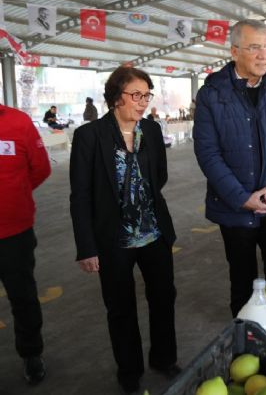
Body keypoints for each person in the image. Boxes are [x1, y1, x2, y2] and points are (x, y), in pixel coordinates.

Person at [70, 67, 179, 394]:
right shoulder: (90, 136)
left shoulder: (152, 131)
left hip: (154, 233)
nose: (143, 102)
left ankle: (164, 358)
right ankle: (129, 372)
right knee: (121, 308)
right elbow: (81, 195)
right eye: (136, 95)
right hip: (113, 238)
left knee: (163, 298)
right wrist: (86, 247)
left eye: (147, 95)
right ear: (116, 97)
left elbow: (158, 176)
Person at [193, 19, 266, 317]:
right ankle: (245, 344)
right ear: (234, 51)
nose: (263, 55)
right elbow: (207, 153)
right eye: (254, 47)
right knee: (242, 283)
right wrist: (241, 197)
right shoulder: (212, 94)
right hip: (235, 209)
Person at [0, 104, 51, 385]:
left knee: (23, 297)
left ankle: (31, 354)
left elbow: (40, 168)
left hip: (14, 233)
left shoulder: (18, 123)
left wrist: (15, 193)